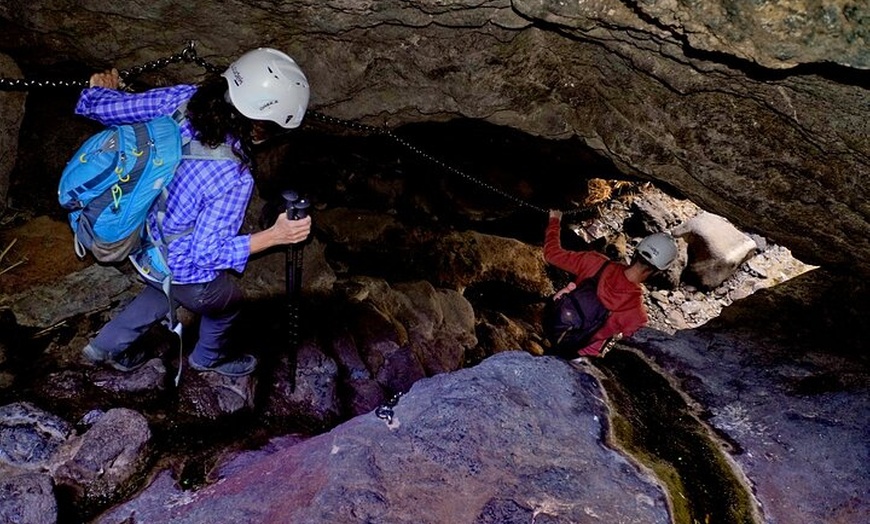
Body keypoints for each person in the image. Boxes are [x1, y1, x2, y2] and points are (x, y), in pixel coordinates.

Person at [80, 48, 313, 376]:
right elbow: (206, 254)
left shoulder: (181, 100)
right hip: (179, 263)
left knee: (163, 290)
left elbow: (102, 108)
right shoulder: (233, 176)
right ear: (261, 126)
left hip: (141, 238)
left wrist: (100, 90)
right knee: (228, 301)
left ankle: (103, 346)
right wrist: (275, 236)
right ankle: (207, 359)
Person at [543, 209, 678, 359]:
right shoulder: (636, 315)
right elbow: (635, 350)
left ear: (635, 251)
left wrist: (555, 219)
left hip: (552, 324)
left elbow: (551, 254)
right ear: (658, 271)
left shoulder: (594, 262)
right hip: (577, 354)